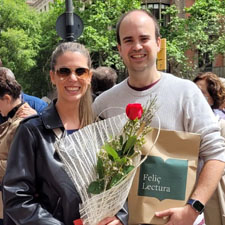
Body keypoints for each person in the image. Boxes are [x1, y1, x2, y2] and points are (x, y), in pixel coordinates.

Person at [92, 9, 225, 225]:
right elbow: (97, 169)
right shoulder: (103, 104)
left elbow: (217, 155)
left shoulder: (186, 93)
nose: (136, 47)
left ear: (158, 43)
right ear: (119, 48)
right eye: (128, 40)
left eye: (144, 38)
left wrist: (193, 209)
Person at [2, 42, 127, 225]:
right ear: (53, 76)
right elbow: (17, 197)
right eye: (64, 71)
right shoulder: (32, 131)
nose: (73, 78)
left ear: (89, 76)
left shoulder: (103, 131)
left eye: (80, 71)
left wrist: (119, 218)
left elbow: (118, 188)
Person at [0, 69, 36, 224]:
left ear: (7, 98)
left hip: (17, 204)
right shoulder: (17, 118)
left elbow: (19, 166)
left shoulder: (23, 122)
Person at [194, 72, 225, 225]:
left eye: (201, 93)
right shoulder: (185, 125)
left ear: (213, 98)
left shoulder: (221, 125)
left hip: (212, 197)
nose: (194, 98)